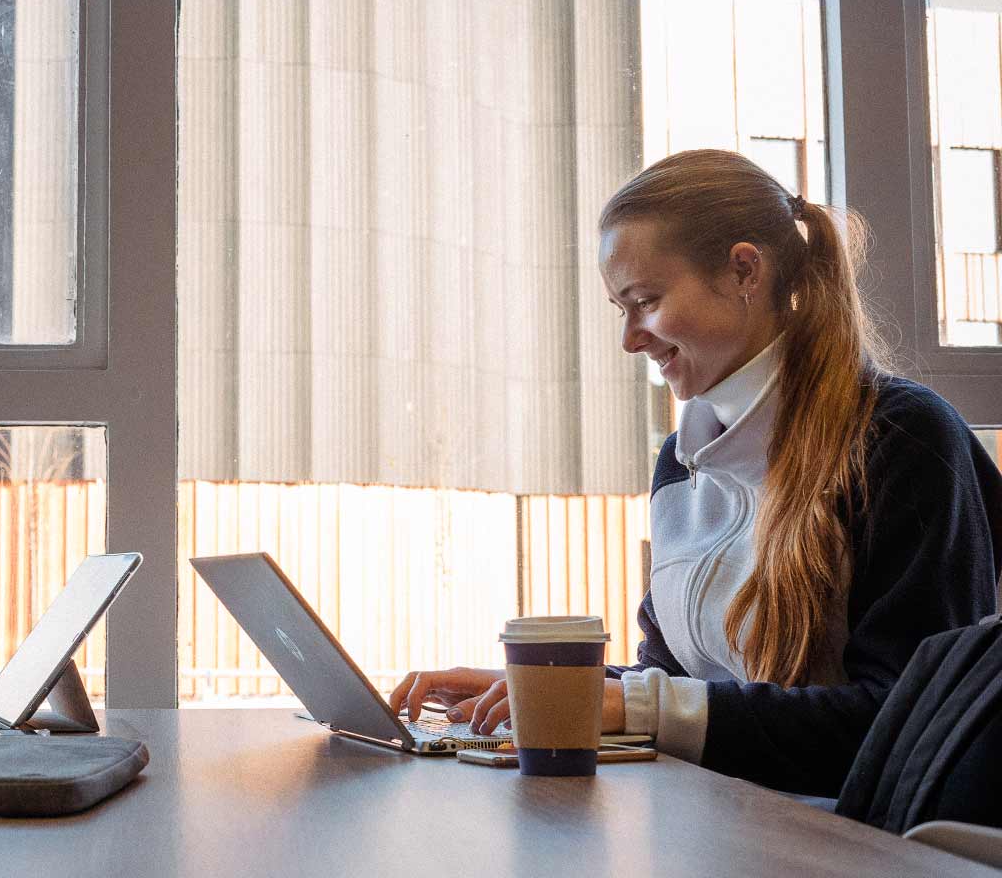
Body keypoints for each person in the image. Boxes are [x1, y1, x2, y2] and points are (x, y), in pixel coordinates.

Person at [390, 149, 1002, 796]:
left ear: (744, 270)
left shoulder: (900, 441)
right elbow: (683, 691)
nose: (630, 339)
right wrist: (547, 692)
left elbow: (905, 733)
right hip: (719, 829)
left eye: (645, 301)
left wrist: (637, 706)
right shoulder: (679, 465)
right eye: (620, 308)